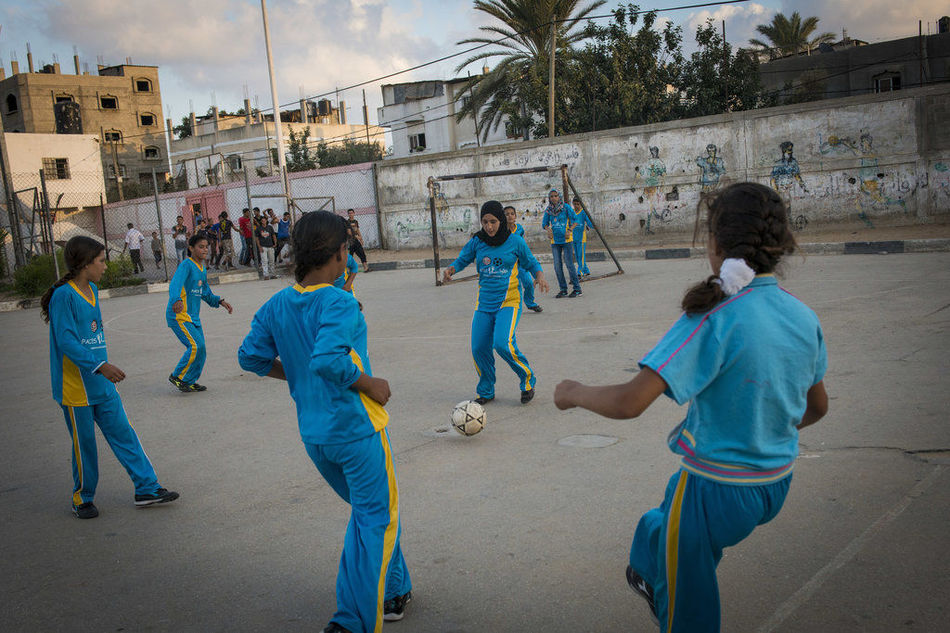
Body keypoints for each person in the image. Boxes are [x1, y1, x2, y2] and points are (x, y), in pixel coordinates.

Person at [553, 182, 829, 633]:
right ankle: (649, 570)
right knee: (663, 512)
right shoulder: (802, 315)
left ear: (715, 244)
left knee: (689, 610)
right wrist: (765, 422)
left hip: (715, 489)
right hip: (776, 483)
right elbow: (816, 406)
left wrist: (574, 392)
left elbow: (630, 402)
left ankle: (658, 580)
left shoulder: (715, 314)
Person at [238, 211, 413, 633]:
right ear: (339, 253)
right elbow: (329, 360)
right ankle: (350, 621)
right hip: (356, 429)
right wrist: (369, 382)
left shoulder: (278, 303)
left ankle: (395, 589)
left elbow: (250, 357)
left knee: (370, 513)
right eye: (347, 249)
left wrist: (294, 373)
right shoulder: (339, 300)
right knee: (377, 519)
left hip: (316, 437)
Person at [40, 236, 179, 519]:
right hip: (76, 387)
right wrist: (100, 365)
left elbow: (93, 335)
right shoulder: (63, 296)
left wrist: (102, 369)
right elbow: (66, 341)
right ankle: (83, 498)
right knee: (85, 445)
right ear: (84, 264)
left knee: (124, 433)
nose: (105, 266)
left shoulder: (91, 289)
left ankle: (147, 488)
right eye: (101, 261)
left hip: (101, 384)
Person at [442, 200, 549, 405]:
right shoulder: (478, 241)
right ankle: (486, 389)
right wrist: (451, 269)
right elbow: (463, 258)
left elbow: (532, 262)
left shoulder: (515, 242)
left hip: (509, 301)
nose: (489, 227)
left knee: (503, 344)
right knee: (479, 348)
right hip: (484, 304)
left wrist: (540, 276)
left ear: (500, 220)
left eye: (493, 221)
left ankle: (527, 379)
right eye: (484, 222)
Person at [166, 234, 233, 393]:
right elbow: (175, 283)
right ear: (191, 248)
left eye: (206, 247)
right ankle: (177, 376)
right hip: (179, 315)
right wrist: (176, 299)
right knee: (196, 346)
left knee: (201, 350)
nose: (204, 250)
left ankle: (188, 381)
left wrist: (219, 301)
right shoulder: (186, 265)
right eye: (200, 247)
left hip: (193, 317)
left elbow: (205, 292)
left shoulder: (202, 268)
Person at [541, 189, 581, 298]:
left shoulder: (566, 207)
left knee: (569, 264)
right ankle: (563, 289)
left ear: (559, 197)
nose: (553, 198)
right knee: (557, 266)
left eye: (555, 196)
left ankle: (577, 289)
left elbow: (576, 220)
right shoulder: (549, 210)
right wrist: (548, 230)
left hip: (567, 240)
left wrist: (570, 230)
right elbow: (544, 224)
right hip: (555, 241)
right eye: (551, 196)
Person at [503, 205, 542, 313]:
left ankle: (530, 303)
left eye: (512, 214)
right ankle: (513, 308)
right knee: (515, 287)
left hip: (522, 263)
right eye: (507, 214)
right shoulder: (502, 232)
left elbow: (522, 244)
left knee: (529, 283)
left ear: (515, 216)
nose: (510, 216)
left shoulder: (519, 229)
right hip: (511, 264)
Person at [572, 197, 594, 278]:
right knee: (578, 255)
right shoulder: (572, 212)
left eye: (578, 204)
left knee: (581, 255)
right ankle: (586, 270)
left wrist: (592, 225)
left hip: (581, 238)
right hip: (573, 237)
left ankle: (580, 272)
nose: (576, 206)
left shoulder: (583, 213)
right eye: (575, 204)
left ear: (581, 204)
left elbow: (589, 222)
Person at [256, 214, 277, 279]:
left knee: (271, 260)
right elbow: (256, 238)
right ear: (261, 222)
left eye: (264, 220)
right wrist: (259, 247)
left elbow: (273, 235)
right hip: (263, 247)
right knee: (264, 261)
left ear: (266, 221)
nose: (263, 222)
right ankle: (266, 275)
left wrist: (275, 243)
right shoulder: (259, 229)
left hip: (270, 246)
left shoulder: (270, 227)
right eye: (262, 221)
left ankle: (273, 274)